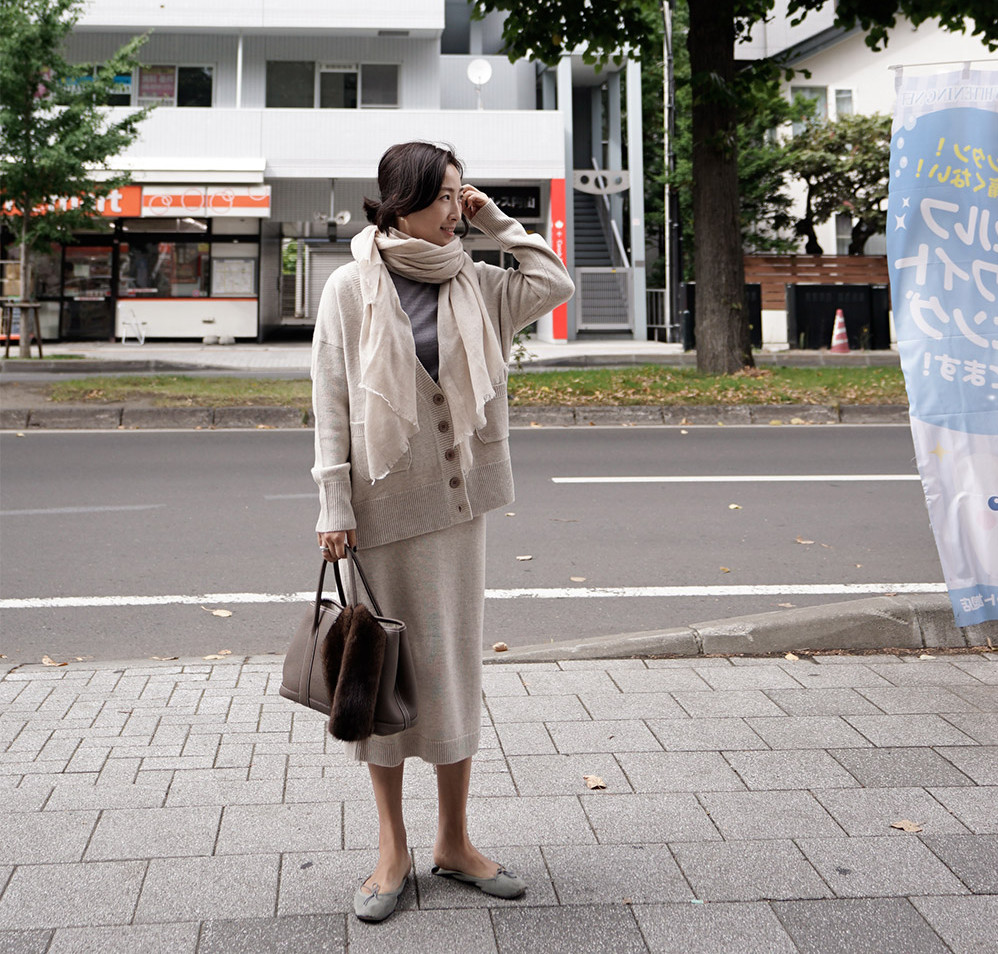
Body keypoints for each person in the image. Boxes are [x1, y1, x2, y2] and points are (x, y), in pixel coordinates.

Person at [310, 141, 574, 923]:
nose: (459, 207)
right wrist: (334, 504)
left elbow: (554, 283)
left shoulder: (478, 279)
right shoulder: (351, 288)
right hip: (382, 508)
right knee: (387, 677)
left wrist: (499, 221)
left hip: (459, 509)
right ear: (402, 202)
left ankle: (454, 841)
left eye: (465, 195)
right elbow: (331, 402)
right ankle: (392, 848)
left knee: (452, 671)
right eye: (447, 196)